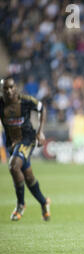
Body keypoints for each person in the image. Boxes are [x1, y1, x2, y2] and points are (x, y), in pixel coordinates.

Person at [0, 76, 51, 221]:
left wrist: (40, 131)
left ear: (15, 88)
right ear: (2, 91)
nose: (9, 91)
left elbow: (42, 109)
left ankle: (20, 205)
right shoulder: (1, 104)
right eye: (5, 89)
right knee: (28, 177)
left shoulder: (26, 100)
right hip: (12, 143)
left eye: (11, 87)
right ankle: (44, 202)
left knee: (13, 166)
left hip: (27, 139)